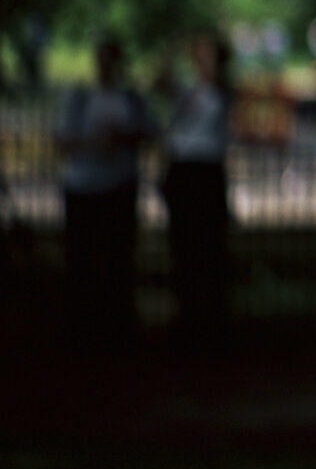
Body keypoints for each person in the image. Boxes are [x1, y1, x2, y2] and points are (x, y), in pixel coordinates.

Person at [56, 36, 155, 350]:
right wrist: (93, 144)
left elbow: (149, 132)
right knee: (83, 261)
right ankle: (84, 326)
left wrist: (121, 139)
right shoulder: (80, 97)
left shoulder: (130, 98)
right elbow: (61, 140)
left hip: (118, 186)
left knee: (117, 260)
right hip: (85, 187)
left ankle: (115, 326)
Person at [160, 31, 233, 345]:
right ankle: (189, 318)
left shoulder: (216, 92)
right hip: (184, 171)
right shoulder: (191, 89)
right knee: (184, 247)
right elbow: (160, 82)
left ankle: (210, 322)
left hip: (204, 171)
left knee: (208, 248)